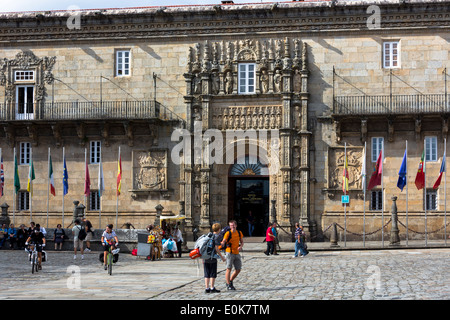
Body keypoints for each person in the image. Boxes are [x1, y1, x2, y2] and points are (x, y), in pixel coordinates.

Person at [221, 220, 244, 291]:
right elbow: (224, 240)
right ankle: (228, 284)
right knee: (229, 268)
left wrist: (240, 246)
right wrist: (222, 243)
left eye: (233, 225)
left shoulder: (239, 233)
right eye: (231, 225)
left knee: (238, 269)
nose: (232, 227)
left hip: (236, 253)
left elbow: (242, 241)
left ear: (236, 225)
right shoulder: (228, 233)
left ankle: (230, 281)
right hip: (229, 252)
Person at [203, 223, 226, 294]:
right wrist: (222, 257)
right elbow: (216, 248)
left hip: (206, 257)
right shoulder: (217, 237)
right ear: (219, 229)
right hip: (212, 258)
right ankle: (212, 288)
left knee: (207, 273)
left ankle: (207, 288)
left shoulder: (208, 235)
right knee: (213, 272)